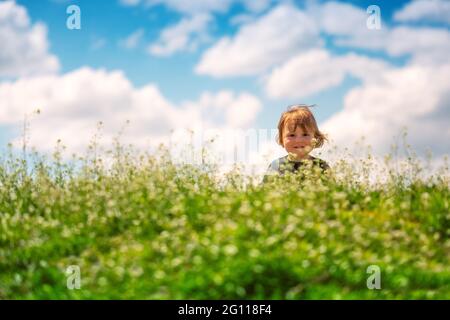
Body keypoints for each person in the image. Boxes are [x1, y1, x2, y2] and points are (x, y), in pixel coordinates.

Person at [263, 104, 330, 182]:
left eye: (305, 134)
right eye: (291, 135)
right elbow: (263, 193)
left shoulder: (321, 166)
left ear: (315, 137)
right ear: (282, 139)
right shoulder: (276, 166)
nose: (298, 140)